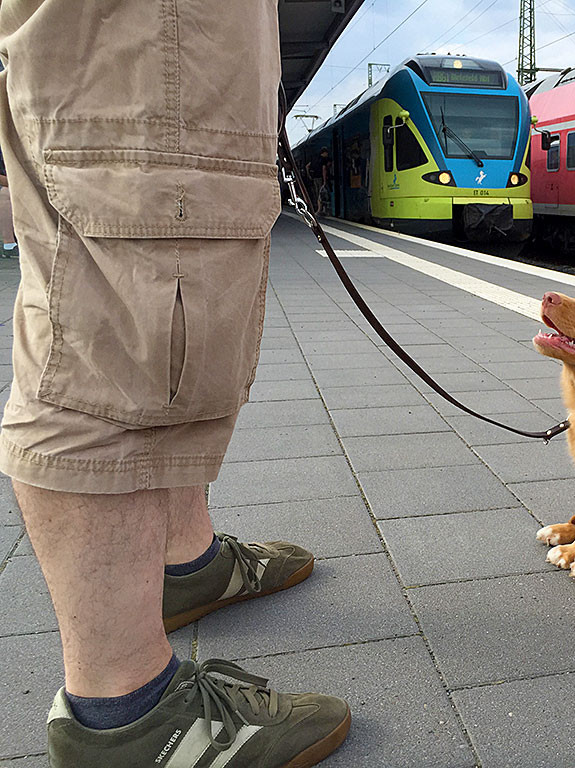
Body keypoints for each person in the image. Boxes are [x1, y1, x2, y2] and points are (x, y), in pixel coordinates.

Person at [0, 2, 350, 766]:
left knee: (152, 315)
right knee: (119, 333)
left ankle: (186, 569)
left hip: (163, 31)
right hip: (154, 28)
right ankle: (126, 711)